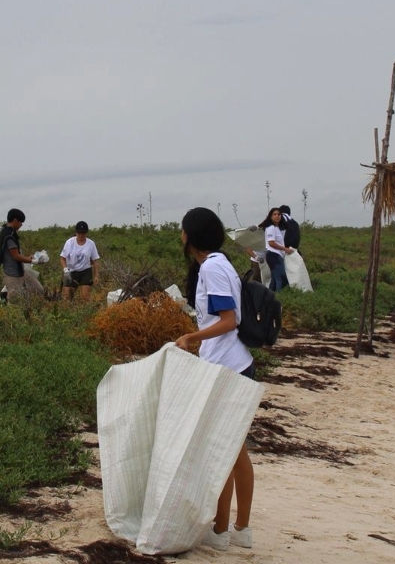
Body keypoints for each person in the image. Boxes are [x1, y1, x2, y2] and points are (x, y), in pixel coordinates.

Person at [173, 207, 254, 551]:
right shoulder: (217, 264)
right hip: (231, 365)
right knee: (232, 451)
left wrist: (191, 338)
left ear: (191, 236)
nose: (180, 235)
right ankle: (235, 530)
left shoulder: (212, 267)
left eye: (182, 230)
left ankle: (225, 531)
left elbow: (228, 320)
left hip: (228, 368)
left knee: (227, 452)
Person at [0, 208, 45, 300]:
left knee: (38, 290)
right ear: (15, 220)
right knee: (15, 300)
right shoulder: (8, 236)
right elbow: (16, 256)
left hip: (21, 272)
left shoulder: (10, 233)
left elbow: (17, 254)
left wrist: (28, 258)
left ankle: (27, 304)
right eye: (20, 222)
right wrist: (34, 261)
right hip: (12, 275)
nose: (21, 225)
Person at [59, 221, 101, 301]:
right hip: (71, 271)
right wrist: (65, 270)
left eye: (83, 233)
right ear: (76, 233)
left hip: (85, 271)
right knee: (67, 297)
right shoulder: (69, 242)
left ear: (86, 233)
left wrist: (96, 275)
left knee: (85, 296)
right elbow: (62, 258)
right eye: (79, 233)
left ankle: (95, 309)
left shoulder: (91, 244)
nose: (81, 235)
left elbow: (95, 260)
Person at [259, 207, 294, 292]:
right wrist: (285, 249)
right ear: (270, 217)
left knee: (275, 279)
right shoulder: (271, 228)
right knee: (281, 278)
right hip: (274, 255)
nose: (277, 216)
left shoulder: (276, 228)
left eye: (278, 214)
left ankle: (269, 297)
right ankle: (279, 298)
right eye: (274, 214)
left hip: (275, 255)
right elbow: (271, 243)